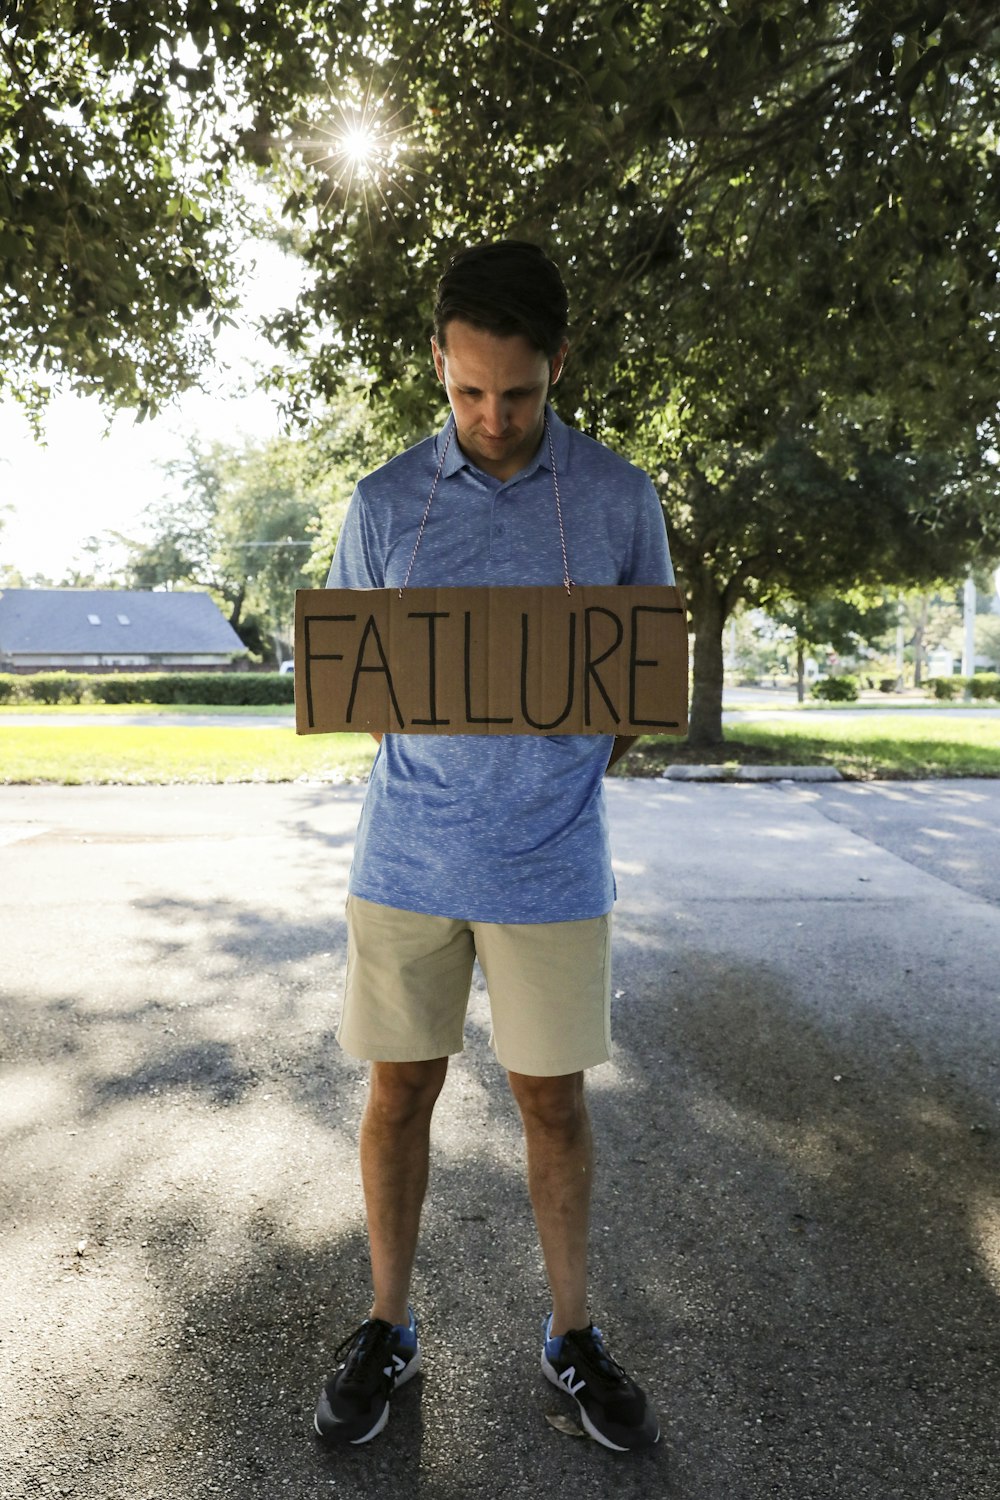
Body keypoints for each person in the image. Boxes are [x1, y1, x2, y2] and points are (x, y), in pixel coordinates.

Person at [313, 240, 674, 1453]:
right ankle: (386, 1326)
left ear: (556, 366)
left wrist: (550, 778)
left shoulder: (621, 501)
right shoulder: (379, 505)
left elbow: (636, 690)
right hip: (407, 858)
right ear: (439, 365)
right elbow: (358, 686)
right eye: (467, 391)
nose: (491, 416)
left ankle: (573, 1336)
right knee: (397, 1091)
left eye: (515, 393)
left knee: (551, 1103)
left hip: (552, 864)